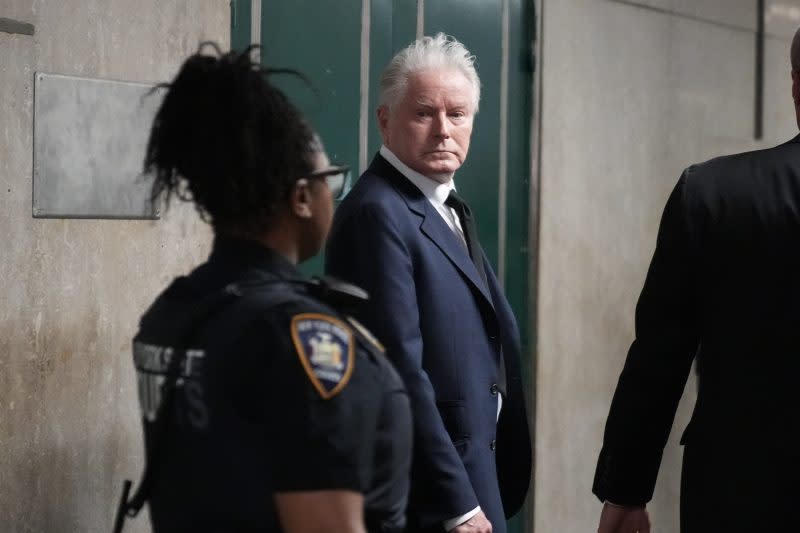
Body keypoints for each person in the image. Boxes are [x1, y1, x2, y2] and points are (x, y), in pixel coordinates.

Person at [117, 44, 411, 533]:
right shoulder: (302, 340)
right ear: (300, 196)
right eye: (329, 181)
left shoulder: (172, 312)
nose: (331, 196)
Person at [593, 26, 800, 533]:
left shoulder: (710, 194)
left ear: (796, 84)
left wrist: (625, 489)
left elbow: (658, 358)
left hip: (737, 493)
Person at [325, 33, 531, 533]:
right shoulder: (377, 213)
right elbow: (397, 375)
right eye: (424, 113)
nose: (444, 130)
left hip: (474, 480)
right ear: (384, 120)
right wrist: (455, 505)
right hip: (435, 501)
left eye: (457, 115)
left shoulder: (443, 205)